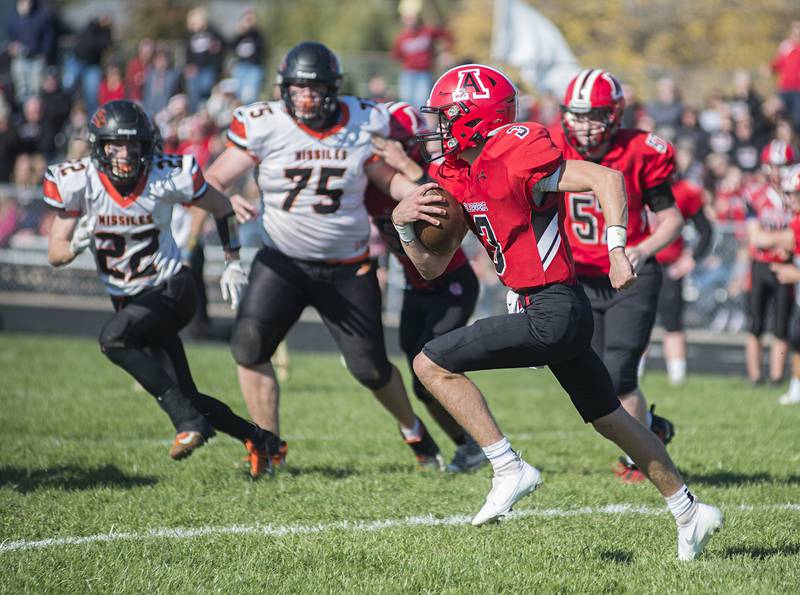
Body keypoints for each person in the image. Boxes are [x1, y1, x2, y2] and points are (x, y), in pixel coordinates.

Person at [393, 63, 722, 559]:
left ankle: (508, 467)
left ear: (475, 117)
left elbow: (607, 179)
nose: (439, 126)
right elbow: (433, 266)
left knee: (428, 363)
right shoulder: (458, 173)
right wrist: (403, 228)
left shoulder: (517, 150)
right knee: (613, 419)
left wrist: (616, 249)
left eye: (448, 115)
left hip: (554, 307)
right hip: (557, 308)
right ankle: (690, 510)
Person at [203, 41, 444, 469]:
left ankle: (413, 430)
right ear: (284, 90)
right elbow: (213, 179)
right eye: (297, 89)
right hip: (282, 261)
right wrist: (224, 200)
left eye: (313, 89)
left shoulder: (362, 121)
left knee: (369, 368)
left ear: (333, 89)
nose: (305, 98)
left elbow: (387, 180)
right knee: (249, 345)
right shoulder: (264, 124)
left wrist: (423, 192)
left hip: (348, 267)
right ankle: (268, 445)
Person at [43, 100, 280, 478]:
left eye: (133, 145)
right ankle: (262, 441)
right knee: (188, 395)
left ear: (146, 146)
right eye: (115, 146)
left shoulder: (167, 174)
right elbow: (55, 254)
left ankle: (189, 424)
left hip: (172, 288)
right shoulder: (77, 180)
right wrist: (75, 245)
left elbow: (222, 208)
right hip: (131, 302)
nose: (124, 154)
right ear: (98, 147)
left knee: (113, 339)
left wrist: (233, 262)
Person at [552, 69, 684, 482]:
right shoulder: (549, 145)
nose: (584, 125)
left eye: (594, 115)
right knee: (597, 386)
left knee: (619, 372)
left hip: (630, 275)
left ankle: (638, 460)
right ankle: (653, 431)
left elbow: (672, 218)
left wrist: (641, 251)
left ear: (615, 115)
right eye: (577, 115)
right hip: (580, 279)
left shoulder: (641, 150)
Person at [368, 100, 485, 472]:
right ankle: (468, 446)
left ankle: (487, 445)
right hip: (415, 286)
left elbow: (438, 201)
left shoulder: (430, 173)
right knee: (421, 382)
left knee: (437, 366)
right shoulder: (369, 182)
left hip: (451, 283)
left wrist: (406, 166)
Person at [743, 140, 797, 386]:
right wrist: (783, 240)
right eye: (772, 166)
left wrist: (777, 241)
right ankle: (755, 376)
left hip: (787, 266)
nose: (776, 172)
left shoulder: (793, 195)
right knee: (755, 324)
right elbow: (755, 237)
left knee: (781, 325)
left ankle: (776, 377)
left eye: (782, 166)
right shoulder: (755, 194)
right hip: (761, 264)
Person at [652, 173, 713, 386]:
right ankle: (632, 372)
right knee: (634, 320)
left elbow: (705, 230)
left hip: (669, 265)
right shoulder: (632, 182)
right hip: (636, 263)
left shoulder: (684, 191)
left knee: (672, 322)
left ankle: (677, 376)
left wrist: (691, 259)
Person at [390, 7, 452, 110]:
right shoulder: (401, 37)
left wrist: (446, 52)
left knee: (421, 102)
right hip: (408, 73)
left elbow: (446, 34)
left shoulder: (427, 31)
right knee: (406, 103)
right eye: (407, 18)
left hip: (424, 73)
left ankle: (421, 125)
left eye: (412, 17)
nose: (410, 21)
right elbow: (395, 55)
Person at [771, 21, 800, 131]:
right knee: (780, 117)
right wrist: (770, 68)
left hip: (798, 90)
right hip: (784, 89)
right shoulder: (785, 46)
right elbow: (780, 62)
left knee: (797, 119)